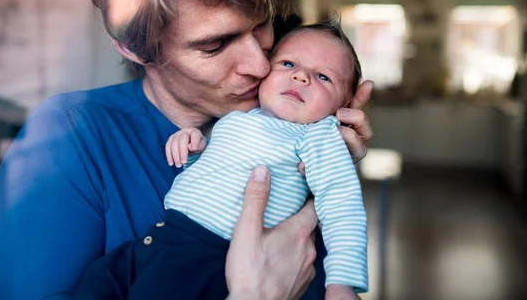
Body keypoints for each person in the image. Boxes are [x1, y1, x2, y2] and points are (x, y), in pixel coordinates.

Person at [0, 0, 374, 299]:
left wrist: (327, 160)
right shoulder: (68, 138)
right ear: (136, 49)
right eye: (215, 44)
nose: (260, 64)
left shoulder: (289, 126)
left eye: (261, 25)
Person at [72, 22, 368, 300]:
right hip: (162, 236)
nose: (300, 77)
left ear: (342, 106)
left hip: (211, 256)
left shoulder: (320, 136)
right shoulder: (240, 117)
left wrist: (341, 284)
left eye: (323, 77)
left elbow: (343, 203)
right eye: (288, 64)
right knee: (99, 280)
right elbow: (219, 173)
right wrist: (194, 149)